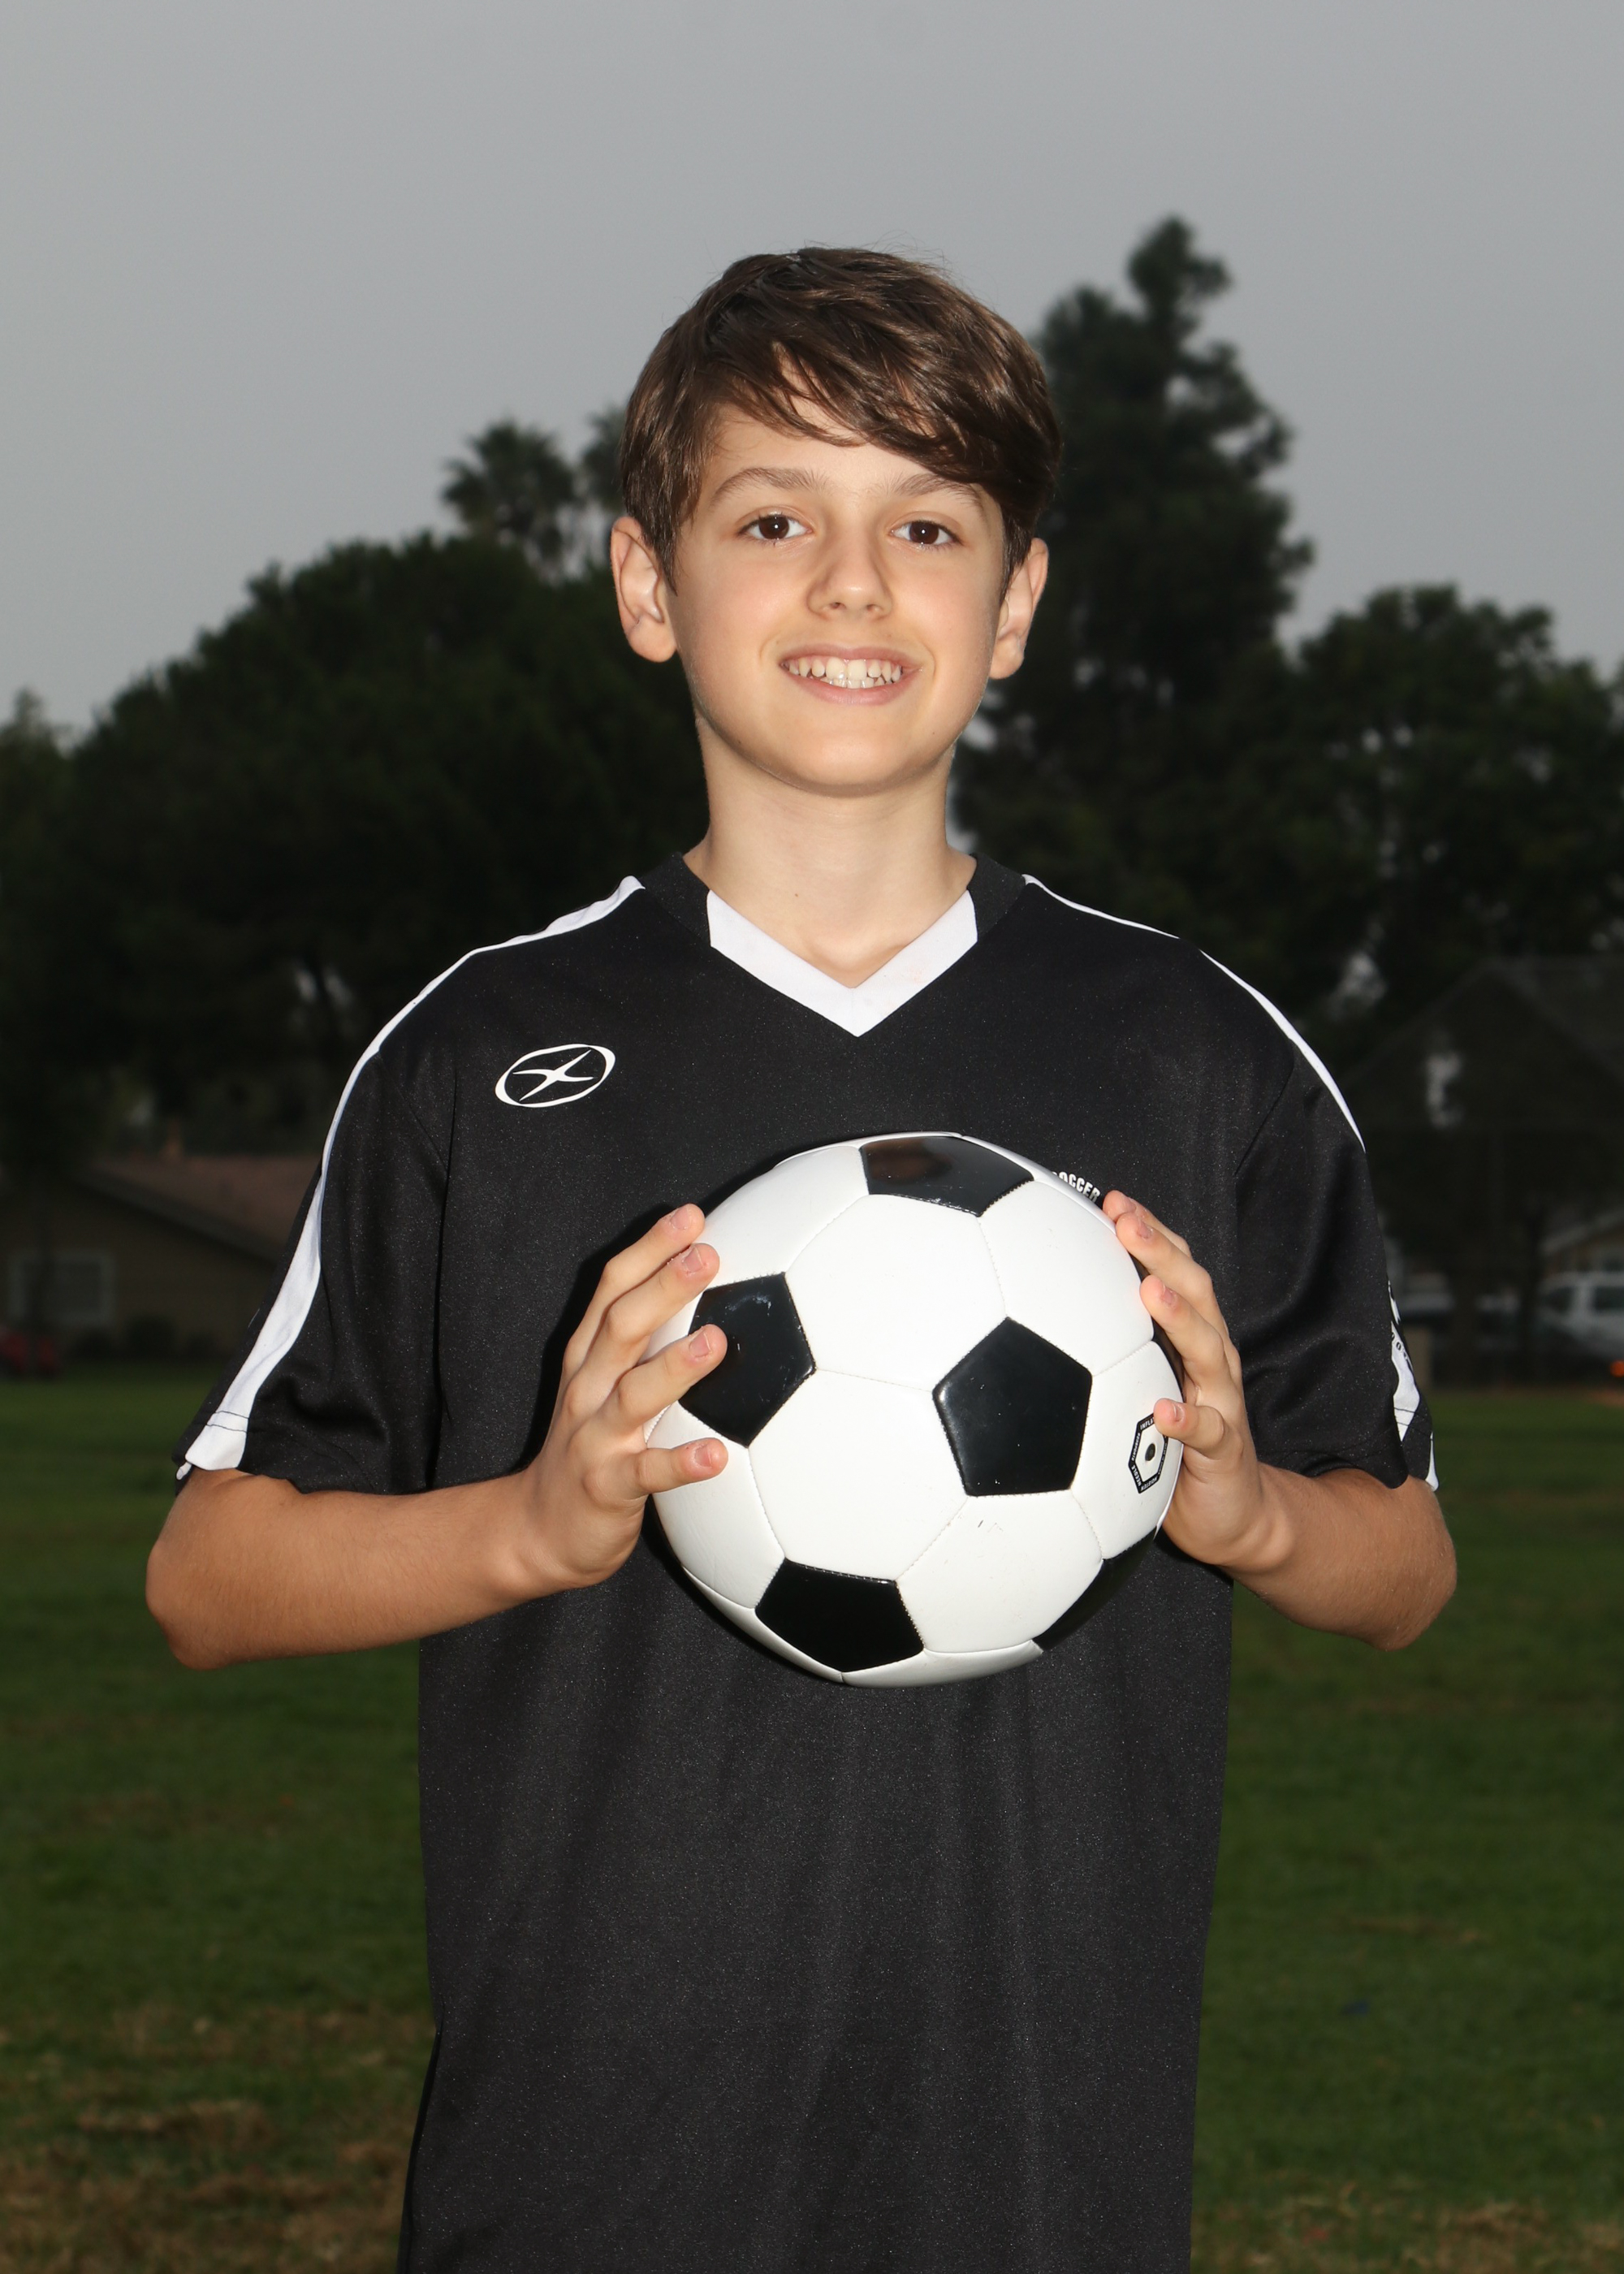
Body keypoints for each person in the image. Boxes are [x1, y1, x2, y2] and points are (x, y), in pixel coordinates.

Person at [148, 247, 1455, 2273]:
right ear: (646, 582)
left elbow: (1409, 1566)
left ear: (1012, 602)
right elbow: (207, 1577)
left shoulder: (1196, 1054)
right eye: (773, 520)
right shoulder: (483, 1056)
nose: (852, 584)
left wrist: (1253, 1510)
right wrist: (530, 1522)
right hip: (586, 2181)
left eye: (925, 525)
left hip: (1036, 2177)